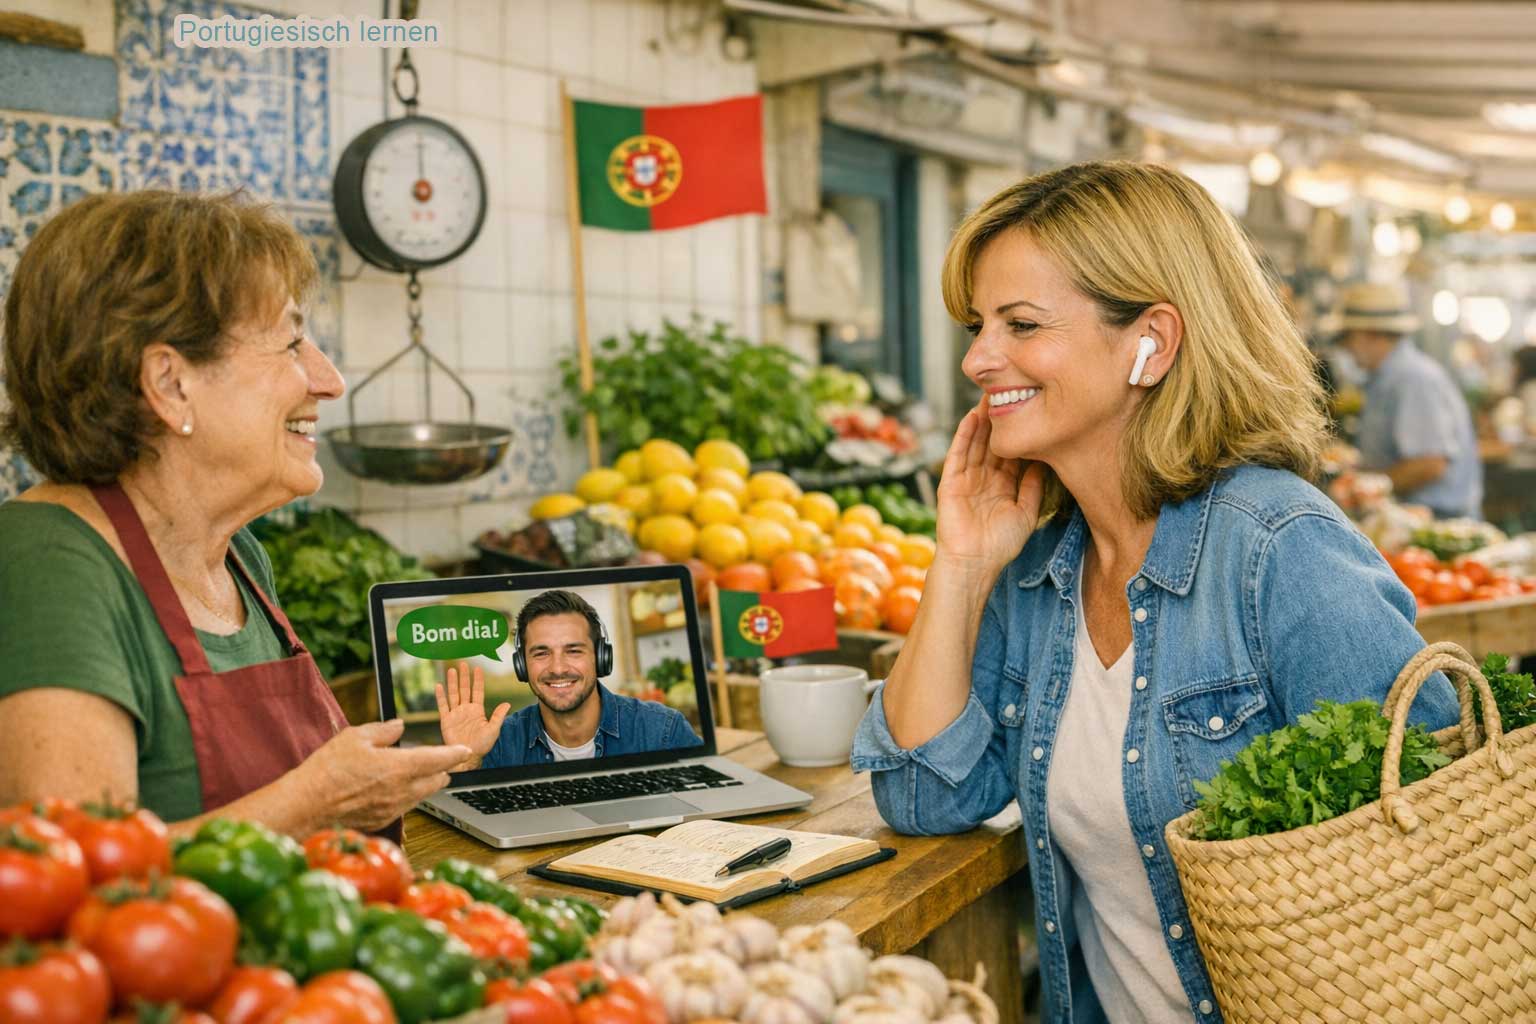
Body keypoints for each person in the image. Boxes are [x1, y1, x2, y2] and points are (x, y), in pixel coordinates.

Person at [849, 162, 1459, 1024]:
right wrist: (961, 564)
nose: (977, 359)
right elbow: (924, 797)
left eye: (1021, 324)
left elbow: (1433, 857)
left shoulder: (1281, 552)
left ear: (1153, 342)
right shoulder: (1040, 571)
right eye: (978, 326)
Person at [0, 191, 471, 837]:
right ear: (170, 384)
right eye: (292, 343)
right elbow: (76, 871)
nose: (329, 380)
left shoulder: (239, 556)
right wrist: (315, 802)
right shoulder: (46, 567)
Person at [437, 590, 700, 769]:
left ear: (600, 657)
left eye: (573, 651)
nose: (558, 668)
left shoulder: (663, 731)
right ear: (522, 665)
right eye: (541, 653)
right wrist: (467, 761)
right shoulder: (499, 743)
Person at [1336, 281, 1483, 519]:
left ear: (1372, 334)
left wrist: (1368, 486)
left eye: (1348, 336)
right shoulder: (1384, 380)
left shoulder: (1413, 379)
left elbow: (1430, 463)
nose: (1345, 347)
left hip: (1435, 522)